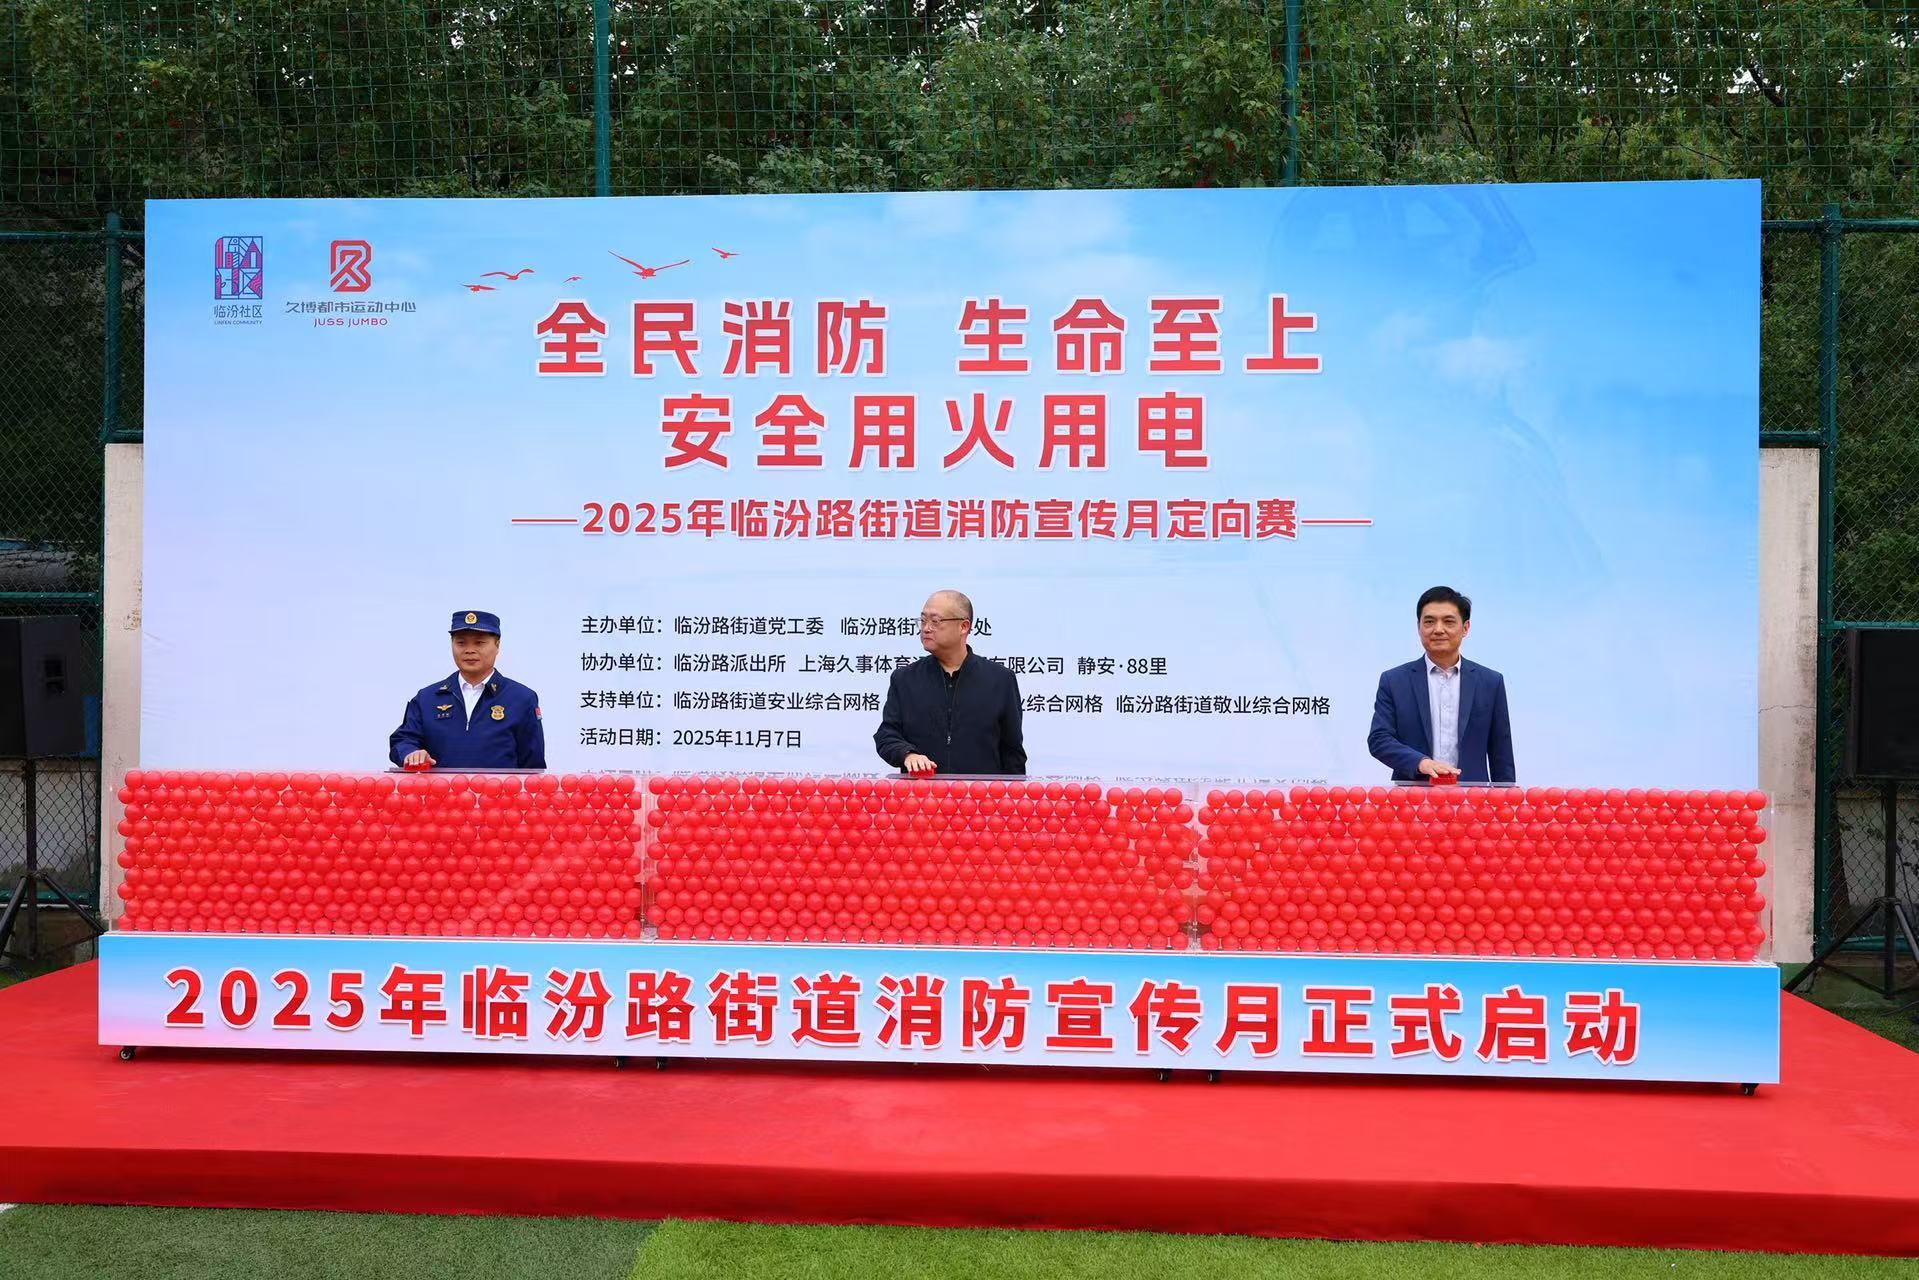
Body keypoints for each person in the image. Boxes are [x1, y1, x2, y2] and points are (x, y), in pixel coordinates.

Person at [1367, 586, 1514, 784]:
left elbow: (1501, 754)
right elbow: (1379, 739)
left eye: (1448, 621)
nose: (1438, 629)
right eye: (1429, 621)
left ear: (1466, 627)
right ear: (1419, 627)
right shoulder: (1394, 681)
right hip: (1411, 797)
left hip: (1472, 798)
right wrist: (1421, 762)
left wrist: (1505, 798)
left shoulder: (1490, 682)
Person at [874, 590, 1026, 776]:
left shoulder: (1000, 680)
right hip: (921, 792)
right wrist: (907, 754)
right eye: (923, 620)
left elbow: (1012, 753)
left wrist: (1013, 791)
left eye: (935, 621)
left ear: (964, 626)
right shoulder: (904, 679)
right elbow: (887, 735)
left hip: (980, 793)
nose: (926, 628)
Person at [389, 610, 545, 769]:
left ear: (497, 645)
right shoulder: (427, 698)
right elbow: (403, 740)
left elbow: (533, 766)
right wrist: (410, 753)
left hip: (499, 787)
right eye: (461, 643)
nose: (469, 650)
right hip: (441, 786)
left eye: (479, 643)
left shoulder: (521, 698)